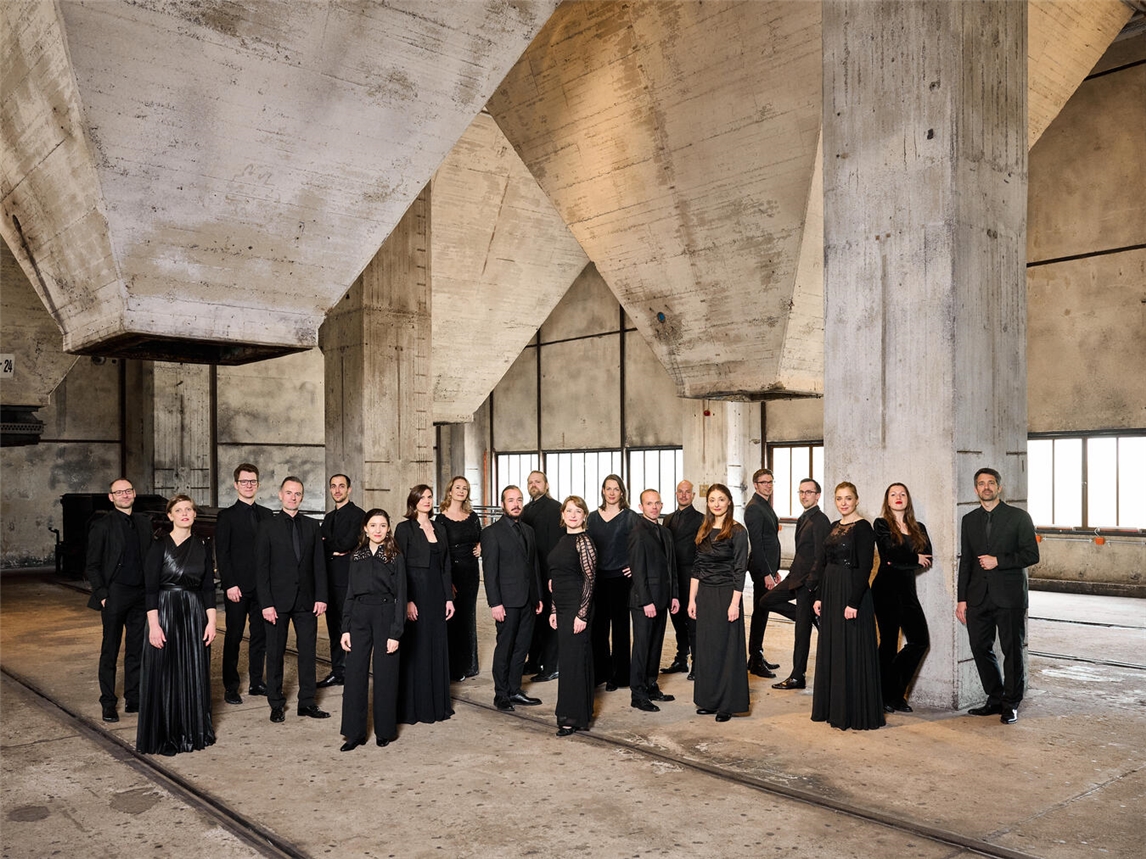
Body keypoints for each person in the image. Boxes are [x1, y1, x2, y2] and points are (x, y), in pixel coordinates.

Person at [957, 467, 1039, 725]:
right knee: (979, 647)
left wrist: (998, 561)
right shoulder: (969, 520)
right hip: (977, 597)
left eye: (991, 483)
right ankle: (995, 698)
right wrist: (961, 599)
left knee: (1011, 651)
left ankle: (1011, 703)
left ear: (999, 487)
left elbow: (1031, 555)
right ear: (975, 489)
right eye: (981, 483)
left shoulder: (1019, 517)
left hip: (1009, 597)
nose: (986, 487)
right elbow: (966, 561)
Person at [137, 495, 216, 756]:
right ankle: (166, 734)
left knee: (193, 670)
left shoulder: (202, 546)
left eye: (188, 509)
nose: (184, 513)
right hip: (165, 611)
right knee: (164, 672)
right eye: (179, 510)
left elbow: (208, 588)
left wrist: (212, 622)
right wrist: (154, 625)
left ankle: (192, 732)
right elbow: (150, 589)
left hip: (193, 613)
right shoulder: (159, 545)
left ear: (194, 514)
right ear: (170, 516)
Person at [255, 476, 329, 724]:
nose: (293, 497)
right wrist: (266, 603)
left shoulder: (312, 525)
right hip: (276, 603)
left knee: (308, 653)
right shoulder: (267, 526)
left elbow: (319, 564)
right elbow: (261, 569)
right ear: (280, 495)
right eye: (289, 493)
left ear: (302, 497)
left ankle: (306, 702)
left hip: (306, 601)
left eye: (297, 493)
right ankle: (276, 703)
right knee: (275, 653)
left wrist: (321, 596)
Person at [811, 482, 883, 731]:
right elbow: (824, 563)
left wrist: (853, 602)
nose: (843, 503)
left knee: (851, 648)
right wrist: (819, 596)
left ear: (856, 500)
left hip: (852, 593)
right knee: (834, 647)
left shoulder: (863, 528)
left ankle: (852, 712)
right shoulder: (833, 526)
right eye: (839, 498)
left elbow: (865, 567)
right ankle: (833, 708)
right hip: (831, 592)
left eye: (848, 498)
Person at [85, 477, 153, 723]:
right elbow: (92, 565)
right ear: (111, 497)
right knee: (110, 650)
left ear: (134, 494)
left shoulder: (144, 522)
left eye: (128, 491)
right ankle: (108, 702)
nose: (124, 495)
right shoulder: (102, 525)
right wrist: (103, 594)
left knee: (136, 648)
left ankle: (133, 697)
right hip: (115, 594)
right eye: (119, 492)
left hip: (140, 595)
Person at [339, 508, 406, 751]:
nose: (378, 530)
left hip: (385, 615)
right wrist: (345, 628)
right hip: (359, 616)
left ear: (388, 529)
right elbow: (349, 593)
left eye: (383, 525)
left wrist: (395, 632)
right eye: (373, 525)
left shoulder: (395, 557)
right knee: (354, 675)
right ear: (365, 529)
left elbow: (401, 596)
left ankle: (384, 731)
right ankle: (354, 733)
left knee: (385, 674)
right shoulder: (356, 556)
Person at [688, 483, 750, 722]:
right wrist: (692, 599)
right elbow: (697, 567)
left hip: (726, 595)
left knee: (727, 649)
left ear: (729, 502)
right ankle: (709, 700)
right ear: (707, 503)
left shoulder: (737, 531)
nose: (716, 504)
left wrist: (735, 604)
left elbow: (740, 570)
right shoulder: (703, 530)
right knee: (708, 649)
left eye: (721, 499)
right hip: (705, 595)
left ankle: (727, 703)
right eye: (712, 499)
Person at [394, 485, 455, 724]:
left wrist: (449, 598)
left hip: (437, 594)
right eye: (422, 497)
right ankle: (416, 707)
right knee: (417, 647)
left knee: (437, 645)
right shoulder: (404, 528)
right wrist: (407, 600)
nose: (427, 500)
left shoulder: (440, 528)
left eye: (430, 496)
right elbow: (400, 566)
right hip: (416, 594)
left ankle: (436, 705)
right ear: (414, 501)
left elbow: (446, 565)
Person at [481, 486, 544, 712]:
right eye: (511, 500)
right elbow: (490, 572)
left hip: (528, 600)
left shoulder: (528, 531)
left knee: (521, 648)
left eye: (519, 500)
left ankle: (514, 690)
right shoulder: (491, 533)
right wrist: (495, 603)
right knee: (505, 648)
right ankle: (501, 694)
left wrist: (538, 596)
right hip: (506, 601)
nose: (516, 504)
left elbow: (534, 566)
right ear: (502, 504)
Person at [873, 483, 933, 713]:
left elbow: (927, 557)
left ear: (908, 499)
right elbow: (889, 556)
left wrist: (904, 560)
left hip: (907, 590)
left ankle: (893, 693)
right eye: (893, 494)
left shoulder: (919, 528)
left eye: (902, 494)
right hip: (885, 590)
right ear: (887, 500)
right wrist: (913, 558)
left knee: (920, 641)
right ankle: (882, 697)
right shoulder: (881, 524)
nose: (898, 497)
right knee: (888, 644)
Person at [216, 463, 272, 705]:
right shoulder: (226, 516)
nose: (248, 485)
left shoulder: (267, 515)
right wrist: (229, 584)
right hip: (237, 588)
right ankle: (231, 686)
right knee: (234, 636)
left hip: (262, 588)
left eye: (252, 481)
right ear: (235, 484)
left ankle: (257, 682)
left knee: (261, 636)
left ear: (258, 484)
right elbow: (222, 553)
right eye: (244, 481)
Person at [772, 479, 831, 691]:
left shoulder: (820, 520)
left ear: (817, 495)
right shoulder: (804, 517)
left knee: (801, 634)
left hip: (807, 582)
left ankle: (798, 677)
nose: (804, 496)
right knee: (766, 601)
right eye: (801, 492)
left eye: (809, 492)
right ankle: (808, 617)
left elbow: (821, 557)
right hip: (794, 577)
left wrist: (811, 584)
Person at [548, 496, 598, 737]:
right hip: (563, 608)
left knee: (575, 662)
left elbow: (590, 580)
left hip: (578, 608)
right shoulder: (563, 540)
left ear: (584, 515)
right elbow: (556, 578)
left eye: (578, 511)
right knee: (568, 662)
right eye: (569, 511)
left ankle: (573, 717)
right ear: (563, 515)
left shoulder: (584, 541)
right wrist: (554, 609)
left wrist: (582, 615)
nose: (573, 515)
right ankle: (573, 712)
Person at [627, 489, 678, 712]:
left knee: (656, 645)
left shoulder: (665, 532)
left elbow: (671, 567)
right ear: (641, 507)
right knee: (642, 647)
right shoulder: (637, 533)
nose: (654, 507)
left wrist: (674, 595)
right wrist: (646, 601)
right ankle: (638, 694)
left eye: (657, 503)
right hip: (644, 601)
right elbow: (638, 571)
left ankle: (650, 685)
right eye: (649, 504)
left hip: (663, 598)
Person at [586, 474, 636, 691]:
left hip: (621, 580)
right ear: (603, 491)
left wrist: (634, 565)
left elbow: (640, 544)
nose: (612, 492)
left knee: (620, 628)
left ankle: (620, 675)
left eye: (616, 488)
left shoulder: (630, 517)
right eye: (608, 488)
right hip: (598, 579)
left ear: (622, 492)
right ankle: (601, 672)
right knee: (598, 628)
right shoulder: (592, 517)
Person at [319, 473, 365, 689]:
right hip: (329, 579)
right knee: (333, 626)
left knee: (350, 626)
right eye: (333, 486)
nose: (337, 490)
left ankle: (352, 673)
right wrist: (334, 548)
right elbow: (321, 545)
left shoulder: (358, 515)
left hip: (347, 579)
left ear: (349, 489)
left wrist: (331, 545)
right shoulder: (328, 518)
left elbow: (347, 543)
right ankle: (338, 671)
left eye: (341, 486)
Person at [436, 475, 482, 682]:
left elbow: (481, 537)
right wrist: (447, 583)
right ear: (450, 491)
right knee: (452, 619)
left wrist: (481, 546)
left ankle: (468, 665)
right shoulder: (441, 519)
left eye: (465, 488)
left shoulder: (472, 516)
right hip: (452, 572)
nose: (461, 491)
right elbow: (440, 551)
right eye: (458, 487)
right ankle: (452, 666)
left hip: (471, 572)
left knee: (467, 617)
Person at [521, 470, 563, 682]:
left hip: (548, 572)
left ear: (546, 485)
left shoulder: (555, 508)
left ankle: (552, 665)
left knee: (550, 618)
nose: (533, 485)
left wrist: (554, 573)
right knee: (535, 618)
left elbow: (556, 544)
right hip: (532, 573)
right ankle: (534, 660)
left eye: (538, 481)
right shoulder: (526, 509)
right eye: (530, 482)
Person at [662, 480, 702, 678]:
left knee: (692, 619)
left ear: (693, 495)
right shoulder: (668, 519)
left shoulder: (701, 519)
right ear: (676, 494)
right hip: (672, 575)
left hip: (690, 575)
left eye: (687, 492)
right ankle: (681, 658)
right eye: (680, 491)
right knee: (676, 617)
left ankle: (697, 663)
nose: (684, 495)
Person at [744, 468, 782, 678]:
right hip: (760, 568)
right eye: (763, 482)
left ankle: (756, 656)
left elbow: (771, 540)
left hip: (768, 567)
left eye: (770, 481)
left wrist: (774, 570)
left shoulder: (764, 505)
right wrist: (766, 573)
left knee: (763, 611)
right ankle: (755, 660)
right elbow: (757, 545)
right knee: (760, 611)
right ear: (755, 485)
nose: (768, 485)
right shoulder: (754, 508)